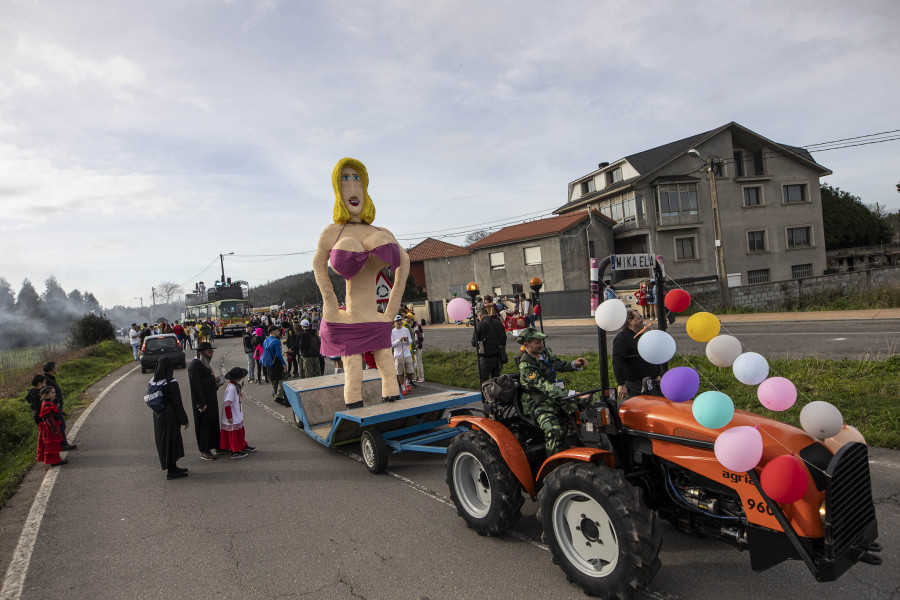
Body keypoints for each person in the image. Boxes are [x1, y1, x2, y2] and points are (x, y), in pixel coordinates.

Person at [313, 157, 409, 409]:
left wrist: (391, 310)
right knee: (352, 370)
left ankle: (391, 401)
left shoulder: (381, 232)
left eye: (357, 178)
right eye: (346, 178)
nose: (353, 186)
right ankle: (355, 412)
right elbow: (318, 264)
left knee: (387, 365)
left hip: (374, 317)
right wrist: (330, 302)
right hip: (347, 317)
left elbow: (404, 262)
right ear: (337, 187)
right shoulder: (333, 232)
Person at [517, 327, 588, 456]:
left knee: (583, 412)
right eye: (537, 342)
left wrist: (574, 364)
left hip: (556, 397)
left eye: (541, 341)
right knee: (553, 430)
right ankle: (553, 464)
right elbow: (545, 387)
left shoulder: (545, 352)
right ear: (527, 344)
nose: (541, 345)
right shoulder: (526, 366)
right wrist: (573, 394)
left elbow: (558, 364)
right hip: (539, 402)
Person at [149, 357, 190, 479]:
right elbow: (177, 403)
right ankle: (172, 471)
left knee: (164, 442)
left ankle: (173, 467)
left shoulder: (153, 381)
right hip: (170, 416)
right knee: (173, 440)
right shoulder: (170, 382)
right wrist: (184, 420)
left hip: (158, 416)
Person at [612, 310, 664, 399]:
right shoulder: (622, 338)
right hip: (635, 385)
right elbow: (617, 361)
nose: (642, 320)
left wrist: (658, 373)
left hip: (652, 382)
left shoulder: (643, 336)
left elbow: (654, 355)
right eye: (639, 318)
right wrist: (621, 384)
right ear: (630, 321)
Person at [188, 341, 221, 461]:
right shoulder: (195, 365)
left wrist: (216, 384)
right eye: (209, 352)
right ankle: (205, 450)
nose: (211, 354)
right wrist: (201, 403)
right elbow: (195, 386)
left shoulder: (205, 364)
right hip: (203, 402)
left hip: (211, 399)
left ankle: (217, 445)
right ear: (201, 353)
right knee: (204, 426)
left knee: (213, 423)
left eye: (212, 352)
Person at [219, 367, 255, 459]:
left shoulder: (235, 386)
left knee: (239, 431)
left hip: (236, 413)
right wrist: (229, 417)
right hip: (232, 415)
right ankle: (235, 451)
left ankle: (242, 445)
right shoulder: (231, 388)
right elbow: (227, 403)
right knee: (234, 433)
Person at [42, 362, 76, 451]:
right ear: (52, 368)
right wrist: (56, 403)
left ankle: (63, 443)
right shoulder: (47, 379)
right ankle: (63, 444)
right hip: (54, 406)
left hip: (57, 406)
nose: (56, 368)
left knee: (61, 424)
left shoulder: (49, 378)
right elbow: (49, 394)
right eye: (55, 367)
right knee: (60, 425)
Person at [472, 306, 507, 383]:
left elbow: (474, 342)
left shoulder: (480, 325)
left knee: (484, 382)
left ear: (480, 316)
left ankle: (486, 395)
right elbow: (504, 338)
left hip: (485, 357)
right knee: (497, 381)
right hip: (498, 357)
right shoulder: (499, 323)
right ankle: (497, 395)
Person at [36, 386, 67, 466]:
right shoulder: (47, 405)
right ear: (45, 395)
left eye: (54, 392)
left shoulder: (49, 403)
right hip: (51, 428)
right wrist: (55, 430)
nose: (54, 394)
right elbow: (50, 419)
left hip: (52, 426)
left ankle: (56, 459)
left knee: (54, 444)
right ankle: (55, 461)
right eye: (52, 393)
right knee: (53, 444)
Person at [261, 325, 288, 405]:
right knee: (282, 378)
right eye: (277, 331)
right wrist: (284, 364)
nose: (279, 332)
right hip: (276, 362)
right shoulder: (276, 341)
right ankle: (279, 396)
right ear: (273, 331)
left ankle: (276, 395)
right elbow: (279, 354)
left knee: (274, 379)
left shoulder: (265, 341)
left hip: (268, 362)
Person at [390, 315, 415, 396]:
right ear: (394, 323)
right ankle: (403, 387)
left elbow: (411, 341)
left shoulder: (406, 329)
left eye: (400, 321)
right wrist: (398, 340)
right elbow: (391, 344)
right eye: (397, 321)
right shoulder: (392, 332)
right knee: (400, 372)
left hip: (407, 353)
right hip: (398, 354)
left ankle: (407, 382)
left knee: (410, 370)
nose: (399, 322)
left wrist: (407, 340)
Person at [405, 313, 425, 382]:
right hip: (410, 346)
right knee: (411, 362)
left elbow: (421, 336)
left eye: (407, 318)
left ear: (410, 318)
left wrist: (419, 345)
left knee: (419, 362)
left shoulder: (417, 326)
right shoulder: (407, 326)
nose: (405, 319)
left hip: (417, 346)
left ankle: (421, 377)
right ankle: (414, 377)